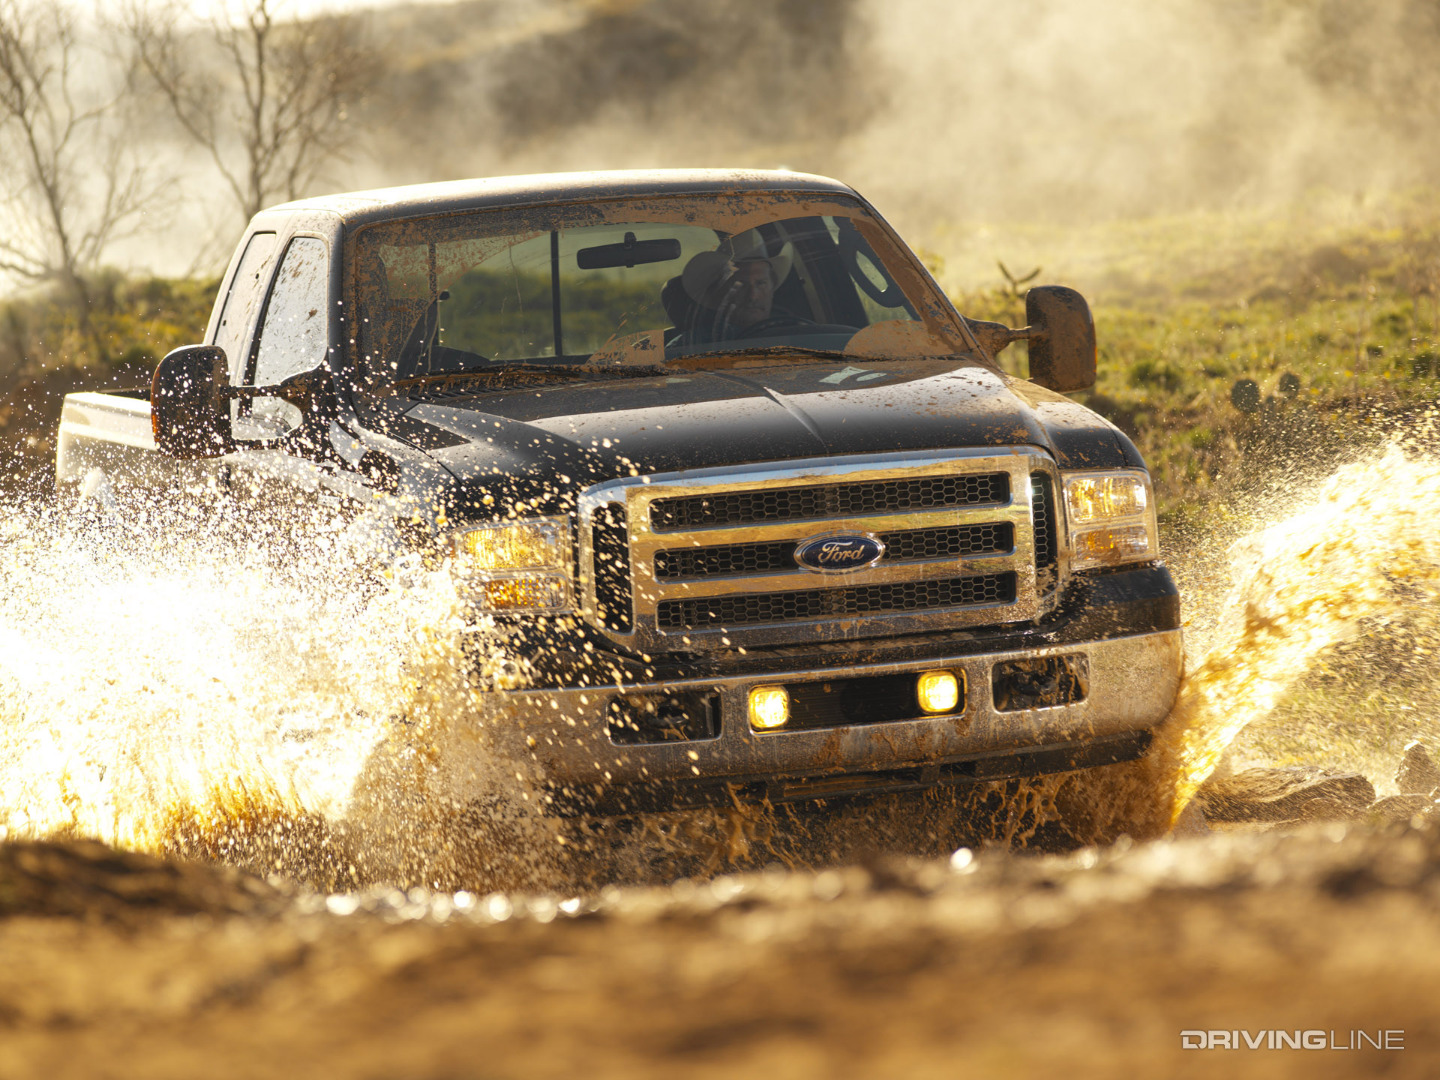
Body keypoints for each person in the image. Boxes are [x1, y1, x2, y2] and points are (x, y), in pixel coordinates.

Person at [671, 229, 796, 343]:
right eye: (740, 284)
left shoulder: (796, 336)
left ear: (772, 289)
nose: (753, 296)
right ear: (719, 294)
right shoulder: (692, 346)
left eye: (761, 283)